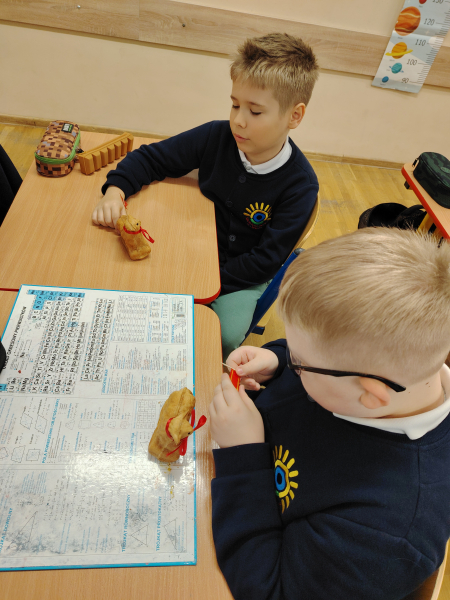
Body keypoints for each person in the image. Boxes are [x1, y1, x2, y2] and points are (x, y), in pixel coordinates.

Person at [209, 227, 450, 600]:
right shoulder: (379, 374)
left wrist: (242, 455)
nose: (293, 363)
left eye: (299, 362)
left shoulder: (388, 535)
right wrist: (277, 359)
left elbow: (273, 589)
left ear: (370, 396)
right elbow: (328, 355)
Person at [91, 33, 319, 358]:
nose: (238, 120)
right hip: (194, 243)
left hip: (241, 276)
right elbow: (152, 158)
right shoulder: (216, 135)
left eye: (255, 112)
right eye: (235, 104)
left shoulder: (300, 186)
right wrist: (115, 191)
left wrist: (204, 282)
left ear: (294, 116)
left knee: (222, 336)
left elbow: (264, 261)